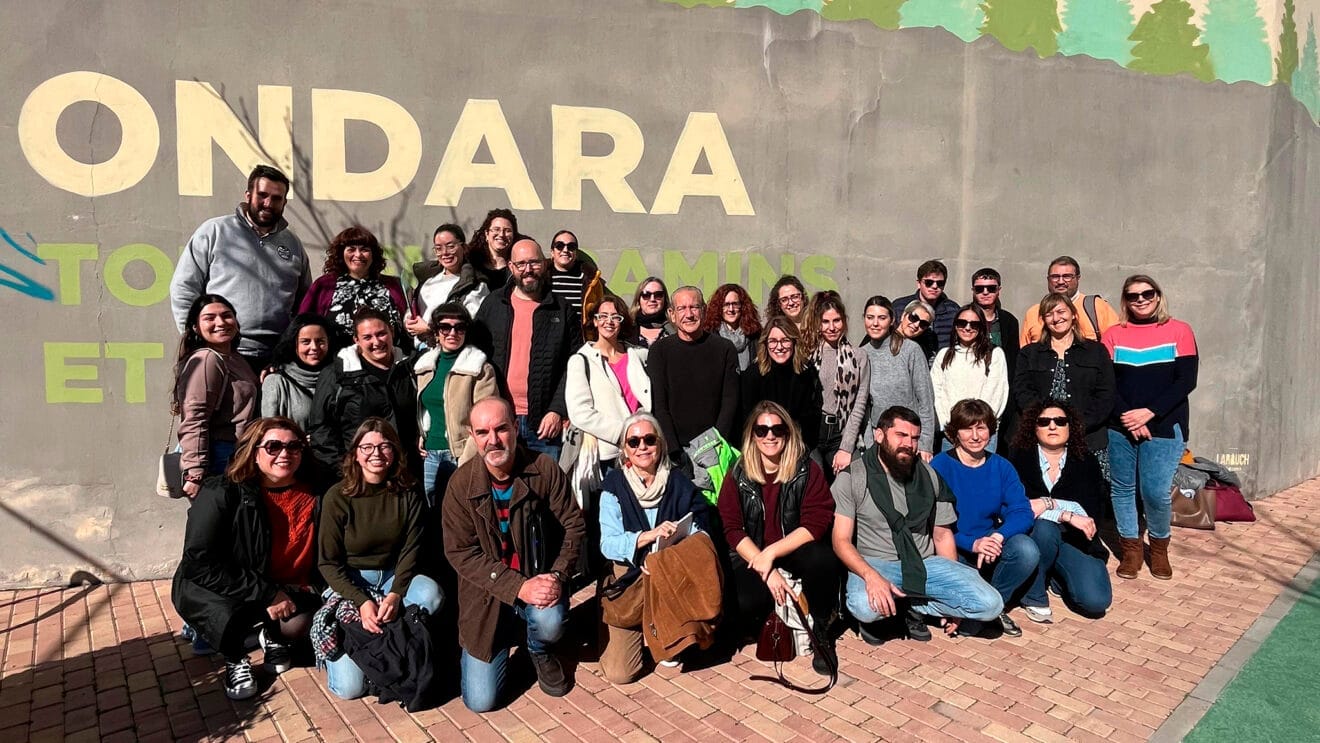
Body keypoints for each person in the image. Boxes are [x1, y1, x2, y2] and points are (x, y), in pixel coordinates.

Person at [443, 398, 586, 712]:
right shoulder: (460, 486)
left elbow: (574, 525)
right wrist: (517, 587)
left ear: (515, 427)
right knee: (480, 702)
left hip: (539, 581)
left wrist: (558, 575)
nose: (493, 440)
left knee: (549, 621)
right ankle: (506, 636)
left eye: (500, 429)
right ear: (472, 435)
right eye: (482, 432)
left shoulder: (543, 468)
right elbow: (460, 553)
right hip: (487, 597)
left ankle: (537, 647)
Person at [172, 417, 324, 700]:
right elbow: (199, 563)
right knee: (230, 618)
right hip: (225, 583)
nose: (284, 454)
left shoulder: (316, 490)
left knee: (300, 624)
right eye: (273, 446)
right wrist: (267, 594)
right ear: (253, 451)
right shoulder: (222, 492)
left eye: (294, 446)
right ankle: (234, 656)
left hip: (282, 581)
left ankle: (271, 635)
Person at [831, 406, 1002, 644]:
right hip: (875, 562)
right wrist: (871, 576)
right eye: (900, 435)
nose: (908, 444)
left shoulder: (930, 476)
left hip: (923, 563)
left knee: (991, 605)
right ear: (879, 435)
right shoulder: (853, 477)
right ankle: (902, 606)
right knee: (863, 607)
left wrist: (953, 589)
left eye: (914, 438)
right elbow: (840, 540)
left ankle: (906, 604)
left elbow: (942, 535)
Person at [319, 418, 442, 700]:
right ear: (355, 454)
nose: (376, 453)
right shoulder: (337, 497)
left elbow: (412, 549)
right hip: (350, 581)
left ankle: (391, 649)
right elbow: (327, 562)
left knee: (431, 595)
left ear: (396, 452)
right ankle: (352, 641)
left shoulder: (407, 493)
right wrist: (361, 601)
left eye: (385, 446)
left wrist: (396, 594)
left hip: (391, 576)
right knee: (350, 690)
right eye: (367, 447)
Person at [717, 402, 839, 675]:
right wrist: (767, 569)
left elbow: (817, 520)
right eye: (761, 430)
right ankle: (775, 613)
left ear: (787, 433)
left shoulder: (806, 468)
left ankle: (820, 630)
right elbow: (733, 528)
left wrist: (772, 553)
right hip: (754, 554)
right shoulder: (738, 473)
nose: (769, 436)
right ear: (752, 435)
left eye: (777, 429)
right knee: (743, 602)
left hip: (794, 550)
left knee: (823, 559)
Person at [596, 412, 710, 683]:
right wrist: (646, 538)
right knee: (621, 673)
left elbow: (700, 526)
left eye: (649, 440)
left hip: (668, 575)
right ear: (625, 450)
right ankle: (613, 626)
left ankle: (663, 629)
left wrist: (669, 552)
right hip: (630, 578)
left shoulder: (678, 482)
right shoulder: (613, 487)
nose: (642, 447)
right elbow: (607, 543)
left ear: (660, 444)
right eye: (633, 442)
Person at [1102, 275, 1198, 580]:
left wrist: (1149, 414)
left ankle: (1158, 548)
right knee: (1122, 488)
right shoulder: (1113, 334)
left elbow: (1185, 381)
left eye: (1147, 294)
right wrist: (1129, 418)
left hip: (1165, 425)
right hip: (1121, 425)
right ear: (1125, 300)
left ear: (1157, 296)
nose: (1140, 300)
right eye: (1133, 296)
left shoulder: (1179, 330)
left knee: (1155, 492)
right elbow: (1107, 384)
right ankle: (1130, 548)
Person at [170, 165, 310, 372]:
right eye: (262, 195)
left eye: (276, 198)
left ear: (284, 202)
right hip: (222, 353)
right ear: (248, 195)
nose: (268, 203)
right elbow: (184, 288)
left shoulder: (292, 244)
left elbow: (305, 301)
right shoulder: (215, 231)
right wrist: (197, 343)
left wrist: (290, 350)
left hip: (275, 361)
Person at [930, 400, 1038, 637]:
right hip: (953, 545)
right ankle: (971, 607)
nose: (975, 436)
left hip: (989, 543)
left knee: (1026, 550)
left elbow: (1022, 511)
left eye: (982, 428)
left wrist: (998, 536)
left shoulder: (1001, 466)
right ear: (954, 433)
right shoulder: (940, 466)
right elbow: (932, 523)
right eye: (967, 428)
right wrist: (972, 543)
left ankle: (993, 604)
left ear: (991, 430)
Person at [475, 238, 580, 460]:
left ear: (545, 264)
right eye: (521, 264)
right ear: (511, 267)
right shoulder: (493, 305)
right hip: (499, 423)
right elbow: (475, 358)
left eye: (534, 263)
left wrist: (557, 410)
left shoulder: (562, 309)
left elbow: (574, 366)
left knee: (546, 490)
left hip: (544, 424)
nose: (528, 270)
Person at [1010, 402, 1113, 621]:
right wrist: (1065, 513)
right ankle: (1034, 594)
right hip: (1034, 537)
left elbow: (1090, 513)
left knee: (1096, 601)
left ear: (1070, 426)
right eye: (1044, 422)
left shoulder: (1086, 462)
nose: (1053, 426)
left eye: (1060, 421)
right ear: (1034, 427)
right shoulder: (1019, 459)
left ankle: (1055, 576)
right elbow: (1018, 507)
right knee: (1045, 528)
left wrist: (1045, 504)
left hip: (1075, 542)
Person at [308, 308, 419, 477]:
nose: (376, 342)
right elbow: (321, 429)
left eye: (381, 334)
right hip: (357, 474)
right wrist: (344, 468)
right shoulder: (337, 375)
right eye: (367, 337)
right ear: (356, 340)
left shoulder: (412, 368)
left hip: (407, 471)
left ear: (392, 331)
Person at [412, 303, 499, 509]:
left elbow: (487, 421)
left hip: (460, 453)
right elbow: (427, 408)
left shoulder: (479, 368)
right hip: (431, 454)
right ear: (436, 331)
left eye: (459, 327)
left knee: (460, 513)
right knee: (433, 513)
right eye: (445, 327)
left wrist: (466, 459)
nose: (452, 333)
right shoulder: (425, 366)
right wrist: (423, 434)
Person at [173, 294, 261, 498]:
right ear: (196, 327)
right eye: (210, 318)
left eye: (226, 315)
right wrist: (195, 473)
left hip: (237, 456)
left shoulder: (235, 359)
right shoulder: (206, 360)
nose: (220, 322)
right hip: (216, 457)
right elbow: (195, 418)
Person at [1013, 293, 1116, 457]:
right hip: (1041, 439)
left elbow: (1106, 394)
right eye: (1049, 314)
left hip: (1088, 439)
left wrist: (1077, 425)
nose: (1056, 318)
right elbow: (1022, 391)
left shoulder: (1096, 351)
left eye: (1061, 311)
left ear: (1073, 314)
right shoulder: (1029, 353)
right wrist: (1047, 423)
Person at [647, 286, 740, 458]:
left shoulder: (724, 349)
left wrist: (715, 445)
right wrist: (674, 450)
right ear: (672, 314)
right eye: (681, 308)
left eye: (694, 307)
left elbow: (729, 402)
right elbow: (659, 405)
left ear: (703, 311)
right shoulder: (659, 351)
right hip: (674, 451)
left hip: (716, 449)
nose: (689, 314)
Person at [566, 294, 652, 471]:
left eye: (615, 317)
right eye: (603, 316)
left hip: (644, 448)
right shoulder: (581, 360)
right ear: (595, 321)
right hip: (608, 453)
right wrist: (623, 433)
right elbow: (580, 412)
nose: (609, 321)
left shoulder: (640, 355)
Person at [298, 226, 408, 346]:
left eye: (364, 249)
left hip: (389, 359)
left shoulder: (393, 285)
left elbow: (407, 324)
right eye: (351, 249)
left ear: (373, 254)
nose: (358, 255)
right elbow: (302, 324)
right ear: (341, 253)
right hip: (336, 361)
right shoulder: (324, 285)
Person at [859, 296, 937, 461]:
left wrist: (925, 444)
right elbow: (863, 406)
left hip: (908, 440)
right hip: (878, 441)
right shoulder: (862, 354)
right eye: (870, 317)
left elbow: (926, 400)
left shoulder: (911, 350)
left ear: (892, 320)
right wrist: (868, 442)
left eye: (882, 318)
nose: (875, 323)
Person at [803, 291, 870, 480]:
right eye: (825, 322)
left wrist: (846, 448)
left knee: (852, 480)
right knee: (815, 482)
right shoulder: (807, 354)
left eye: (837, 321)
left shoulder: (859, 356)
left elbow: (859, 404)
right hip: (812, 433)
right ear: (818, 324)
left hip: (841, 432)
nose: (832, 327)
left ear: (845, 322)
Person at [739, 317, 823, 453]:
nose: (779, 347)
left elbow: (810, 419)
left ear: (794, 342)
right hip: (763, 445)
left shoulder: (806, 372)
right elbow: (747, 420)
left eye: (785, 340)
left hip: (797, 445)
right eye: (773, 341)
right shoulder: (753, 375)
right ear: (765, 343)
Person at [931, 305, 1008, 451]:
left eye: (974, 324)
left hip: (983, 435)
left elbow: (996, 394)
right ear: (955, 326)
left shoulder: (994, 354)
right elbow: (936, 393)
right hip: (951, 434)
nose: (967, 328)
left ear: (982, 327)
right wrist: (949, 426)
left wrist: (976, 429)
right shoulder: (944, 355)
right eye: (962, 323)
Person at [404, 224, 490, 346]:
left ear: (464, 247)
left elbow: (472, 325)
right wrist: (408, 320)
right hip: (420, 351)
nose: (445, 253)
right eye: (438, 248)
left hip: (449, 353)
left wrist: (430, 329)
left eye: (451, 247)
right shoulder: (428, 280)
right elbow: (414, 308)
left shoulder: (474, 285)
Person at [261, 314, 338, 430]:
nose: (314, 347)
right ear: (293, 344)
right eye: (306, 342)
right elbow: (269, 430)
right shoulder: (276, 382)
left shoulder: (340, 378)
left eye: (320, 341)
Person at [1020, 256, 1120, 345]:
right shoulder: (1033, 313)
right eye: (1055, 277)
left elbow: (1116, 344)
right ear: (1048, 279)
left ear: (1078, 278)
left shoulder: (1096, 307)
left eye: (1067, 276)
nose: (1060, 281)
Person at [894, 259, 961, 349]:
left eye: (940, 283)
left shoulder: (953, 310)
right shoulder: (899, 307)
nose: (934, 286)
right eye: (929, 282)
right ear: (919, 283)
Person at [546, 229, 608, 323]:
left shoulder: (590, 280)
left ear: (576, 253)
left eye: (571, 246)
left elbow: (598, 310)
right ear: (552, 252)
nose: (565, 250)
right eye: (559, 246)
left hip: (578, 335)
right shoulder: (541, 276)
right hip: (548, 333)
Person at [702, 283, 761, 372]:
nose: (731, 309)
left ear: (742, 306)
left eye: (735, 304)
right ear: (718, 307)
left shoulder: (755, 334)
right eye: (726, 304)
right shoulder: (709, 335)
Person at [468, 208, 518, 288]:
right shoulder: (471, 263)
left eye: (507, 230)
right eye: (496, 229)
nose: (501, 234)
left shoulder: (519, 267)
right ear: (487, 234)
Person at [629, 276, 676, 347]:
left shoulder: (675, 327)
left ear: (664, 299)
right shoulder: (627, 327)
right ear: (638, 299)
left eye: (658, 295)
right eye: (646, 295)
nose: (652, 299)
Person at [897, 299, 939, 364]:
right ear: (903, 315)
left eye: (923, 324)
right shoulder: (884, 340)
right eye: (914, 318)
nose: (916, 325)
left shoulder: (919, 351)